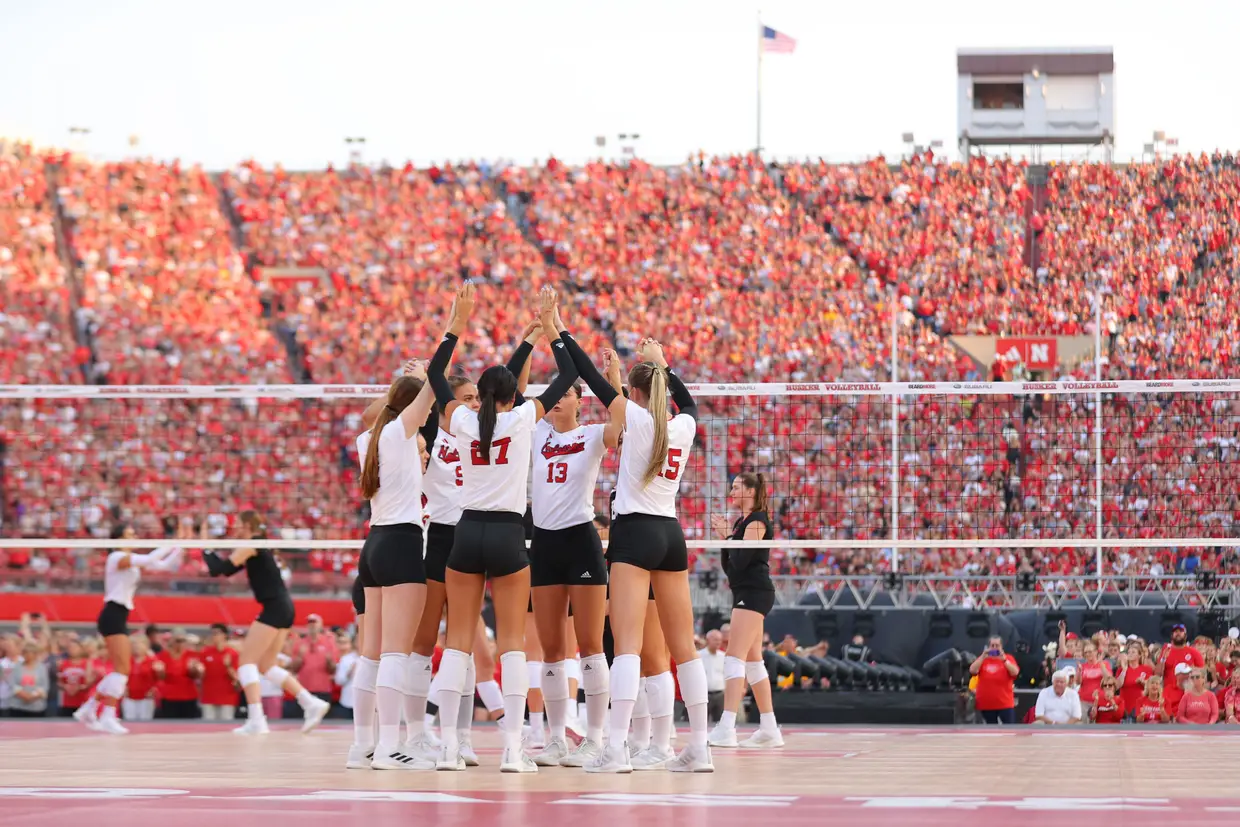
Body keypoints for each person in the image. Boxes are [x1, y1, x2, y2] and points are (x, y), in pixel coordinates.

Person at [426, 282, 579, 773]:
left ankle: (449, 747)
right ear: (515, 394)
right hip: (510, 534)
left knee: (457, 643)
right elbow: (571, 373)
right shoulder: (524, 422)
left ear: (482, 396)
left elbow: (434, 374)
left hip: (466, 533)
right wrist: (549, 329)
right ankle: (513, 748)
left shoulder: (463, 421)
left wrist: (457, 322)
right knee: (513, 642)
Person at [562, 330, 710, 774]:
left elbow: (587, 375)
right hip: (670, 534)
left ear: (637, 394)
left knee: (626, 647)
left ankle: (616, 749)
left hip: (635, 533)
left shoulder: (637, 420)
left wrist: (561, 333)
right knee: (684, 648)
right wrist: (662, 361)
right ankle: (699, 748)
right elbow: (692, 405)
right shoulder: (683, 426)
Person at [527, 322, 614, 768]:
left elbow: (620, 421)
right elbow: (516, 390)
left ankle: (596, 740)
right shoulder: (536, 433)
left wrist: (554, 328)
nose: (557, 397)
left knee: (591, 645)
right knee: (551, 650)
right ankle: (557, 737)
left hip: (581, 540)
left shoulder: (593, 435)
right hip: (543, 543)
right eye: (553, 394)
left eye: (565, 393)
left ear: (580, 401)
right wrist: (536, 335)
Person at [351, 361, 437, 771]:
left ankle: (361, 747)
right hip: (401, 544)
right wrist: (431, 366)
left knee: (371, 655)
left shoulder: (369, 439)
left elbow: (377, 412)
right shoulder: (403, 435)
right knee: (394, 655)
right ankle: (388, 748)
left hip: (373, 545)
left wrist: (401, 385)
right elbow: (430, 395)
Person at [203, 510, 331, 735]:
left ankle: (256, 720)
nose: (235, 528)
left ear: (247, 526)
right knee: (266, 666)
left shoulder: (252, 544)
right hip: (282, 606)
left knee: (245, 662)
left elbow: (218, 569)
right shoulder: (256, 545)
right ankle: (310, 703)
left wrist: (205, 546)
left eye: (238, 524)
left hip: (275, 606)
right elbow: (228, 569)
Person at [74, 525, 182, 734]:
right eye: (130, 534)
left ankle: (89, 708)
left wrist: (180, 547)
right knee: (123, 671)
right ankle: (106, 714)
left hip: (119, 615)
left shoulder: (129, 561)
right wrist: (171, 542)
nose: (135, 537)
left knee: (120, 670)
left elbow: (163, 565)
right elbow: (150, 559)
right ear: (119, 538)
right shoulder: (116, 557)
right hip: (113, 614)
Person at [708, 472, 783, 748]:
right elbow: (731, 565)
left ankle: (727, 726)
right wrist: (727, 536)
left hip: (754, 593)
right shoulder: (741, 522)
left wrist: (727, 535)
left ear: (751, 491)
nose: (732, 490)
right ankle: (769, 728)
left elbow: (740, 561)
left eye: (737, 486)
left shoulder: (757, 520)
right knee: (753, 662)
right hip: (745, 592)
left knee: (733, 657)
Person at [969, 636, 1019, 725]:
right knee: (990, 731)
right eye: (992, 645)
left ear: (1001, 647)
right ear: (988, 647)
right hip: (986, 704)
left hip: (1005, 703)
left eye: (997, 645)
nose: (995, 648)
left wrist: (1004, 660)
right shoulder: (983, 660)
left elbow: (1015, 672)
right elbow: (972, 670)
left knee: (1010, 728)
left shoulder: (1008, 658)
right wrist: (982, 656)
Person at [1158, 624, 1204, 714]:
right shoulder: (1166, 651)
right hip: (1169, 694)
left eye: (1181, 632)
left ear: (1185, 635)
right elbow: (1158, 674)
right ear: (1172, 635)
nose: (1178, 634)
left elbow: (1202, 674)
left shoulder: (1194, 652)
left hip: (1188, 692)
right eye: (1175, 632)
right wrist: (1163, 658)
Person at [199, 623, 240, 720]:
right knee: (208, 726)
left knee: (225, 726)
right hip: (208, 697)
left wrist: (228, 665)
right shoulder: (205, 652)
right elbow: (200, 675)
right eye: (212, 633)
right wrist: (198, 670)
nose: (214, 636)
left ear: (225, 635)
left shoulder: (232, 653)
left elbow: (237, 678)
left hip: (227, 697)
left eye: (217, 633)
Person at [7, 642, 49, 717]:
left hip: (36, 707)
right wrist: (23, 694)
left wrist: (32, 696)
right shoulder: (17, 667)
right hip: (18, 706)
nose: (28, 655)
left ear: (35, 654)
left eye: (30, 653)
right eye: (25, 653)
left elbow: (44, 686)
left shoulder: (41, 668)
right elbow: (12, 683)